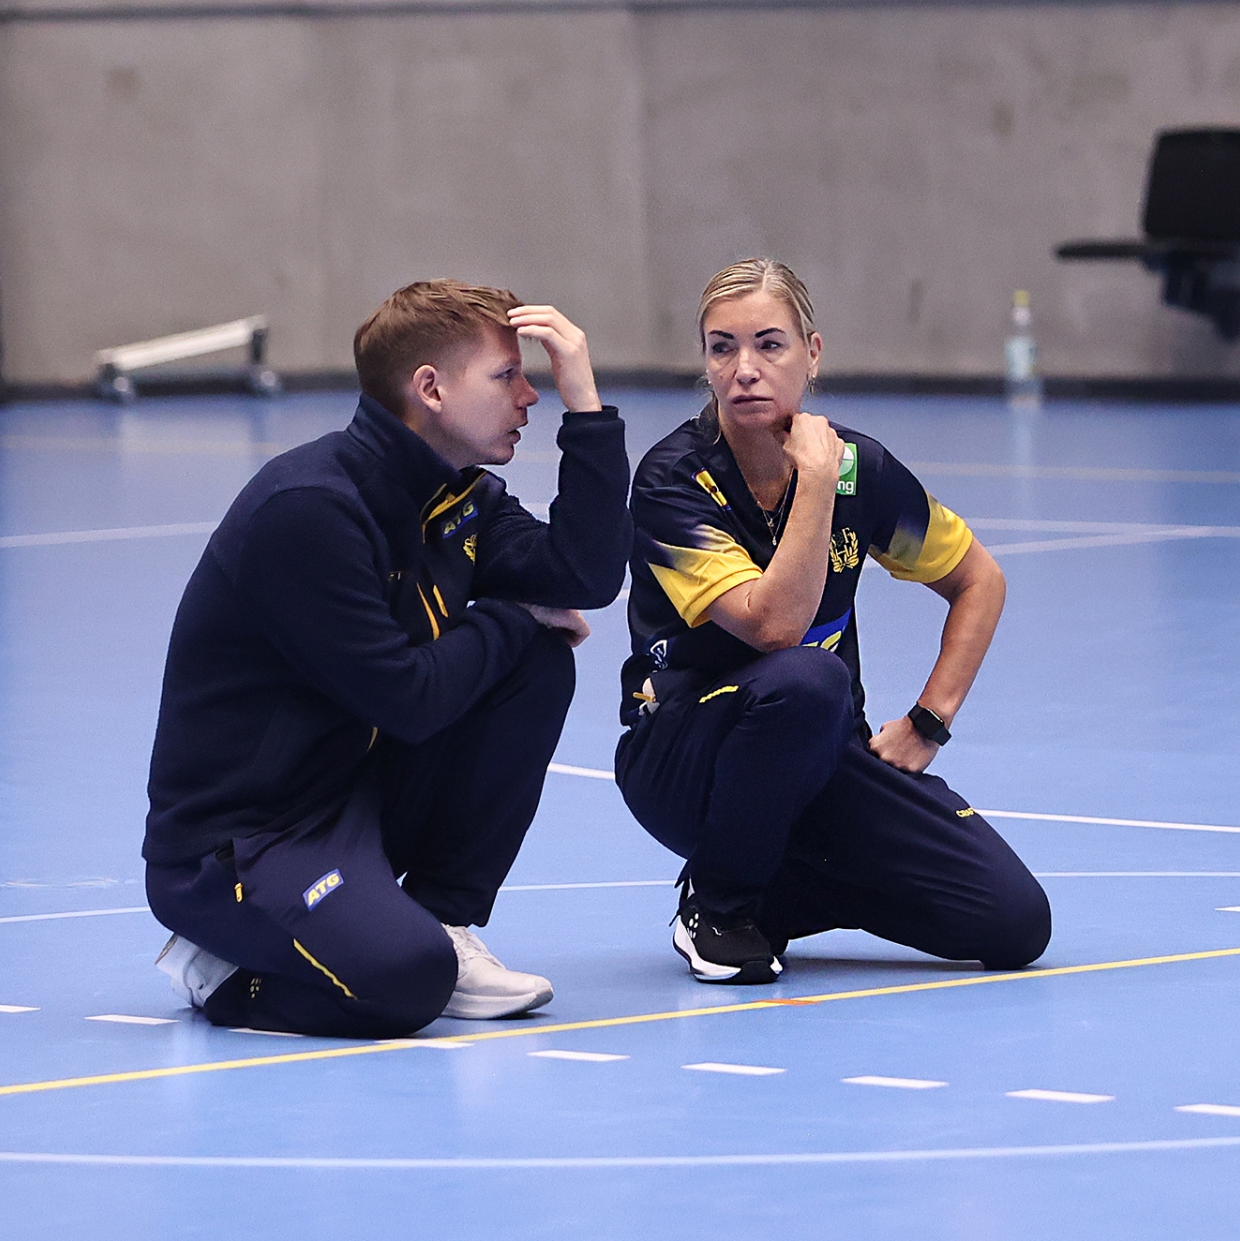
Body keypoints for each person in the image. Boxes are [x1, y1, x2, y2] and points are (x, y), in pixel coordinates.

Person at [142, 279, 631, 1038]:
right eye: (507, 376)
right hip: (239, 848)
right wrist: (506, 612)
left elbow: (588, 577)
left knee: (536, 661)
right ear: (430, 389)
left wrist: (589, 408)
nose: (530, 396)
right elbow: (408, 700)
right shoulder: (310, 508)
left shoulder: (454, 497)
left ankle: (444, 919)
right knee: (406, 985)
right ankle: (223, 976)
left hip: (351, 796)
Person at [615, 258, 1050, 984]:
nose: (744, 368)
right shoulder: (673, 482)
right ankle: (719, 904)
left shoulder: (862, 469)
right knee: (807, 676)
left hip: (821, 752)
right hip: (682, 756)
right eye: (722, 347)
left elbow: (979, 579)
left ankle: (781, 895)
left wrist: (928, 721)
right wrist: (816, 481)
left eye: (769, 344)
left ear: (811, 355)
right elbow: (775, 627)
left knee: (1012, 921)